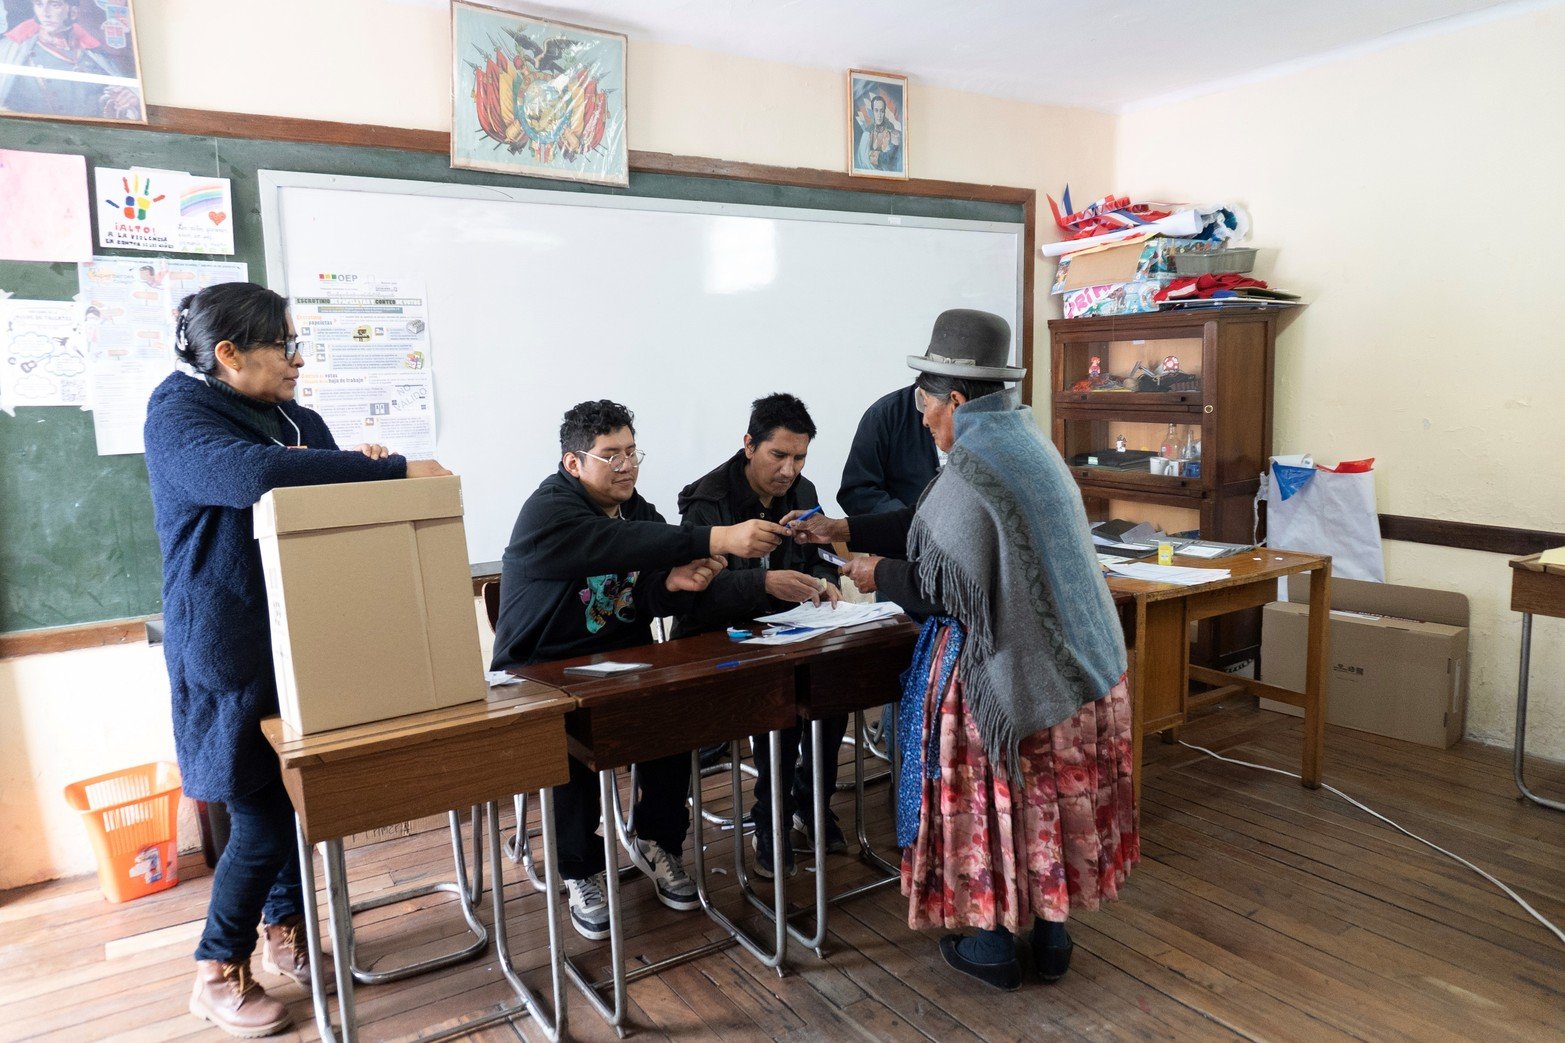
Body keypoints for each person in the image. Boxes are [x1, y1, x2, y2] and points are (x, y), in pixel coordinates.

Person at [788, 309, 1137, 991]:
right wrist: (846, 525)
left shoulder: (974, 465)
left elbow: (936, 578)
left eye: (925, 404)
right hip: (1073, 672)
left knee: (989, 798)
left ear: (953, 399)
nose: (920, 419)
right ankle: (1051, 936)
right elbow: (935, 525)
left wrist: (872, 572)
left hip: (1004, 680)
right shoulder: (1027, 444)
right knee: (1045, 805)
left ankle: (988, 944)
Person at [143, 282, 451, 1037]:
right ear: (228, 353)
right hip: (227, 640)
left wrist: (355, 465)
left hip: (302, 631)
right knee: (258, 810)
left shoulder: (294, 416)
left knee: (293, 794)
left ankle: (284, 929)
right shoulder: (178, 413)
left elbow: (323, 483)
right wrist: (382, 468)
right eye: (284, 345)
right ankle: (215, 968)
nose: (298, 359)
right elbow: (251, 476)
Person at [490, 399, 788, 940]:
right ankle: (579, 869)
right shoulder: (550, 509)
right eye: (610, 455)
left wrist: (671, 585)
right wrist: (715, 538)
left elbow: (642, 578)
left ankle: (659, 840)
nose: (626, 466)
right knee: (569, 744)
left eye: (632, 452)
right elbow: (612, 546)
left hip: (617, 661)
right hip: (539, 670)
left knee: (674, 711)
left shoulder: (636, 509)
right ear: (573, 463)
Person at [672, 393, 847, 878]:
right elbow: (695, 593)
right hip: (720, 641)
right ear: (749, 445)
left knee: (831, 693)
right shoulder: (707, 500)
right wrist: (763, 582)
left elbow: (821, 558)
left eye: (800, 457)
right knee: (781, 704)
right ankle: (768, 820)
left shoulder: (803, 491)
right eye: (779, 456)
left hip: (789, 635)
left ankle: (813, 803)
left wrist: (824, 578)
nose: (789, 470)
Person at [0, 0, 142, 119]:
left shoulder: (94, 54)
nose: (45, 13)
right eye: (39, 4)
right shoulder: (12, 51)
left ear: (73, 12)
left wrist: (130, 99)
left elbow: (122, 96)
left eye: (55, 5)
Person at [854, 92, 903, 173]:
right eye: (876, 111)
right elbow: (863, 161)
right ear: (872, 111)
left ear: (884, 112)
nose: (879, 115)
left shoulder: (892, 133)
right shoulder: (866, 134)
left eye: (882, 111)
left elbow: (895, 162)